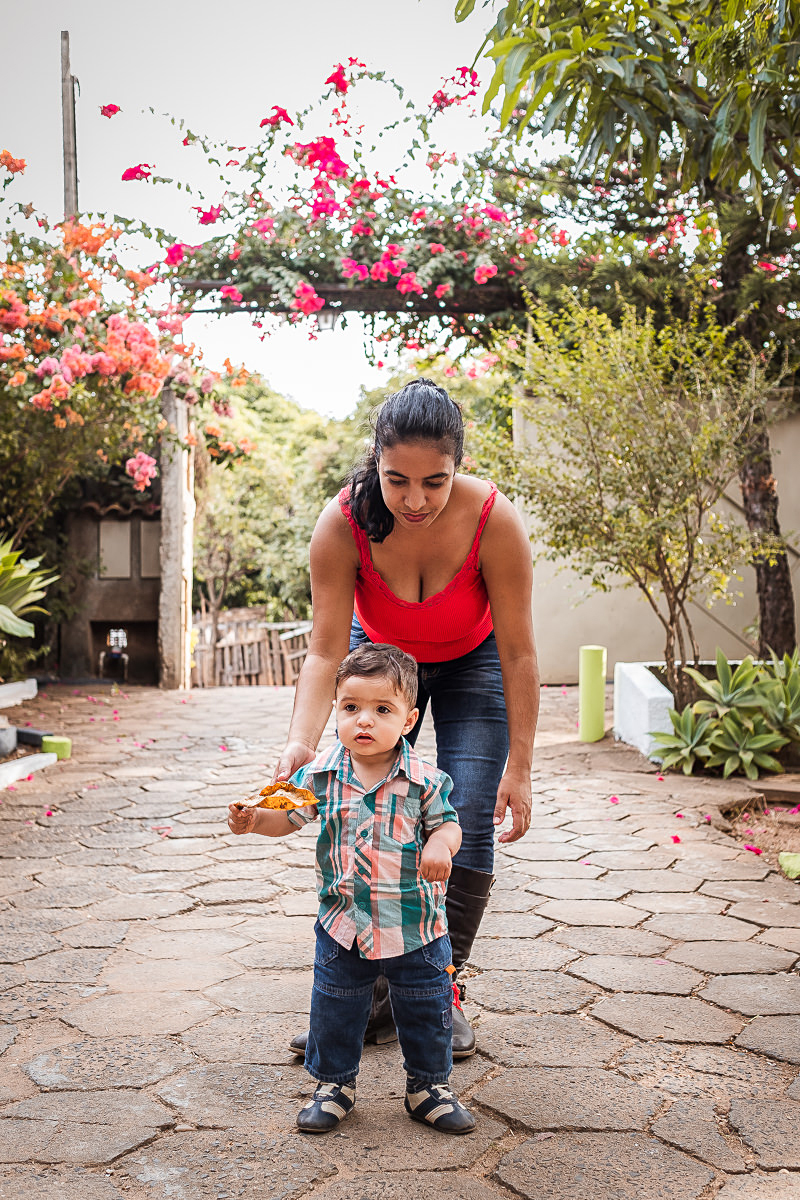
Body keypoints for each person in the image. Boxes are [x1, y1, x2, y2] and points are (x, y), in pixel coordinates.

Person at [277, 377, 539, 1058]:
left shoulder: (493, 519)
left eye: (435, 481)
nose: (416, 500)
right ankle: (367, 988)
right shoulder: (343, 522)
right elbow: (327, 649)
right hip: (382, 665)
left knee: (466, 821)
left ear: (459, 465)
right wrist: (301, 744)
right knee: (364, 816)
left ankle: (437, 991)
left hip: (476, 664)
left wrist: (523, 766)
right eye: (398, 481)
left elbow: (518, 651)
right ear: (376, 462)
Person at [228, 643, 476, 1135]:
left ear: (408, 720)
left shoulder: (427, 781)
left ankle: (429, 1086)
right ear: (337, 709)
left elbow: (450, 827)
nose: (364, 721)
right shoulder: (321, 775)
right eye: (350, 708)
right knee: (335, 1007)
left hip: (416, 925)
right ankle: (333, 1084)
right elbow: (288, 818)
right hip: (342, 923)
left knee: (426, 1008)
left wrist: (441, 848)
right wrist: (255, 821)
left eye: (382, 710)